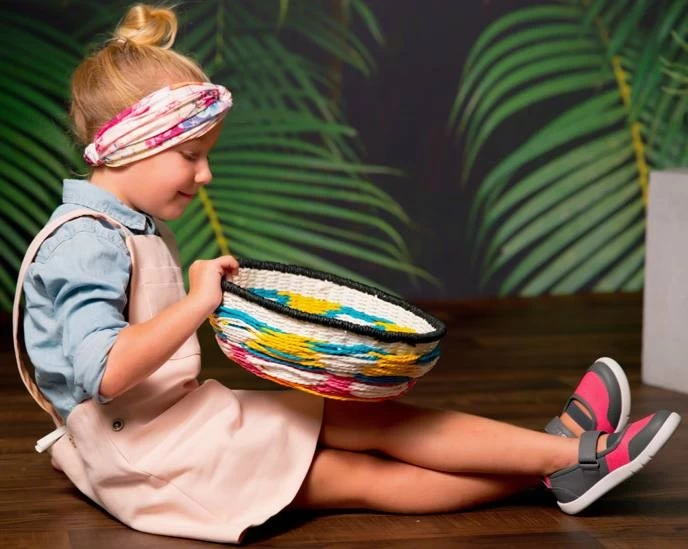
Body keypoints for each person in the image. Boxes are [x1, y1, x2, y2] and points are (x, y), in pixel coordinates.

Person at [12, 3, 681, 544]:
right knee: (359, 476)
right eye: (191, 155)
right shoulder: (85, 243)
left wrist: (201, 292)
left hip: (174, 426)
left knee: (382, 421)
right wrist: (196, 302)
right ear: (132, 146)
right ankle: (568, 460)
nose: (205, 173)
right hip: (148, 457)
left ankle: (559, 451)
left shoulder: (127, 225)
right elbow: (106, 372)